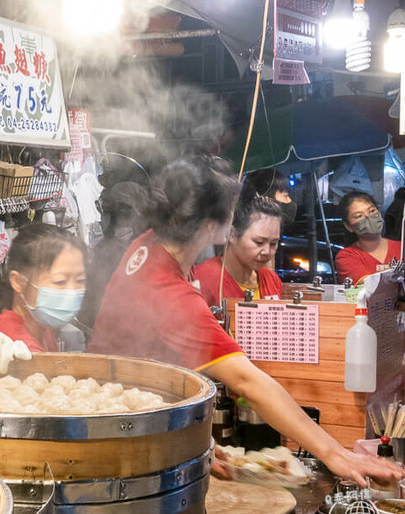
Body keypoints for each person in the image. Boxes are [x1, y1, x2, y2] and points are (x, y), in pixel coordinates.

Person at [89, 157, 403, 485]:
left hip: (131, 416)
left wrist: (194, 442)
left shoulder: (151, 242)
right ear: (212, 226)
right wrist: (335, 453)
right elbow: (247, 382)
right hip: (120, 439)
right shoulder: (169, 293)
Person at [0, 223, 86, 352]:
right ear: (18, 282)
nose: (72, 292)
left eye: (80, 280)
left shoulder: (40, 326)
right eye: (60, 281)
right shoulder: (18, 350)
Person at [195, 189, 283, 307]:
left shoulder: (272, 280)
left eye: (273, 243)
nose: (267, 251)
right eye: (259, 242)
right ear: (232, 234)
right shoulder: (201, 279)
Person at [80, 181, 146, 329]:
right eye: (117, 210)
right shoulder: (102, 248)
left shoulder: (144, 249)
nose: (122, 217)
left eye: (126, 211)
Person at [335, 192, 401, 284]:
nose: (369, 218)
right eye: (359, 216)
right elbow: (369, 285)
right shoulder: (346, 257)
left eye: (372, 211)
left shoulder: (401, 248)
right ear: (348, 226)